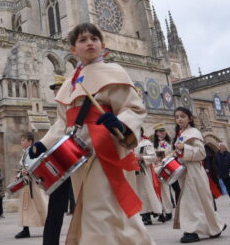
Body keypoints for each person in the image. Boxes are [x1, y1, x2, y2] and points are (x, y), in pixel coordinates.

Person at [31, 22, 151, 245]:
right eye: (83, 40)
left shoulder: (114, 72)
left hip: (106, 147)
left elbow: (133, 108)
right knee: (97, 209)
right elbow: (63, 122)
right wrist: (43, 144)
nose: (89, 43)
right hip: (78, 155)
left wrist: (121, 124)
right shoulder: (70, 82)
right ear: (73, 49)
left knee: (102, 209)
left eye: (94, 39)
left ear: (103, 46)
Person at [172, 107, 226, 243]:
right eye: (177, 116)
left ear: (190, 118)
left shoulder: (194, 133)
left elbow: (201, 153)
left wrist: (185, 148)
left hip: (194, 170)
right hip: (184, 171)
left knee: (191, 201)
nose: (179, 119)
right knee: (198, 201)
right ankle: (216, 226)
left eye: (182, 116)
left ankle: (192, 231)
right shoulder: (179, 133)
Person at [41, 75, 74, 245]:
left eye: (58, 88)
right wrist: (42, 144)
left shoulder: (73, 101)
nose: (55, 92)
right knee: (56, 206)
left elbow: (66, 127)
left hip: (77, 155)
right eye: (54, 88)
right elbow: (60, 125)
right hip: (63, 159)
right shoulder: (61, 108)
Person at [14, 132, 47, 239]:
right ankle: (25, 229)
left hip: (34, 183)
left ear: (30, 141)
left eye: (23, 140)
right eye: (21, 140)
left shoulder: (34, 151)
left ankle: (49, 226)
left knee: (40, 204)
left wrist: (28, 172)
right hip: (26, 183)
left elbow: (37, 165)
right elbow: (23, 167)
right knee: (25, 207)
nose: (21, 142)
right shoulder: (25, 152)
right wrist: (19, 175)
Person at [134, 127, 162, 226]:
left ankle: (147, 214)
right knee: (137, 192)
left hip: (143, 171)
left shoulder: (146, 143)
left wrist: (141, 157)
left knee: (145, 192)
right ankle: (141, 214)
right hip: (133, 172)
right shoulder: (129, 143)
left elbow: (153, 157)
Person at [152, 125, 174, 222]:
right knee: (157, 190)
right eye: (160, 131)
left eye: (163, 131)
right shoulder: (155, 144)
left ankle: (168, 211)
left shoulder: (167, 143)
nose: (162, 132)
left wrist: (162, 158)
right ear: (156, 133)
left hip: (163, 168)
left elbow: (169, 153)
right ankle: (160, 211)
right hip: (155, 168)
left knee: (165, 190)